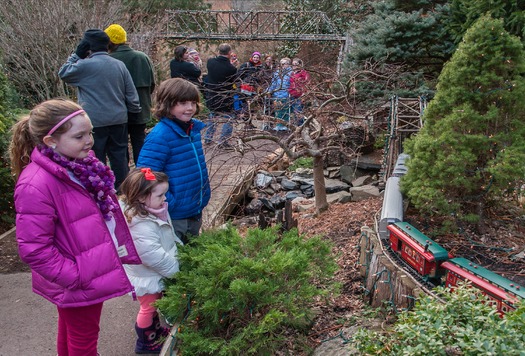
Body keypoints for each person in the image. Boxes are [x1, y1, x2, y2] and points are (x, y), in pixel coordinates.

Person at [10, 99, 141, 356]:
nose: (89, 140)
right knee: (84, 340)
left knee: (72, 331)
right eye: (79, 136)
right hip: (78, 276)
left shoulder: (78, 165)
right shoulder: (37, 184)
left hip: (83, 269)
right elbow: (34, 249)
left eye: (90, 132)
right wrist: (76, 276)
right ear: (51, 141)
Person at [58, 28, 141, 189]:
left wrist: (76, 55)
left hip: (94, 121)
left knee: (96, 157)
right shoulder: (119, 65)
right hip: (119, 119)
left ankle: (101, 190)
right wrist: (134, 112)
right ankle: (123, 191)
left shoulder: (83, 66)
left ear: (87, 46)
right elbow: (131, 94)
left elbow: (63, 73)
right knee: (119, 157)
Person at [136, 78, 211, 244]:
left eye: (193, 102)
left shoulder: (193, 131)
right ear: (167, 104)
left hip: (195, 207)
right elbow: (145, 171)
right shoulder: (160, 136)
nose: (190, 108)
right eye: (182, 103)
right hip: (175, 213)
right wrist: (167, 199)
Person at [119, 168, 183, 354]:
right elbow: (152, 256)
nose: (165, 199)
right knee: (148, 308)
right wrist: (176, 271)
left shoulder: (153, 210)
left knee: (154, 305)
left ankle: (153, 331)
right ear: (141, 197)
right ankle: (146, 342)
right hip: (146, 276)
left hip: (154, 272)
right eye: (161, 195)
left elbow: (168, 235)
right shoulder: (139, 225)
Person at [104, 24, 156, 164]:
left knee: (120, 146)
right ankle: (142, 174)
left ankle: (125, 177)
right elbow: (152, 84)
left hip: (117, 111)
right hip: (141, 108)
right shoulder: (142, 57)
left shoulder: (108, 60)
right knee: (139, 141)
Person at [203, 43, 238, 148]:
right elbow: (232, 80)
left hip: (212, 95)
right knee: (229, 118)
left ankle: (208, 138)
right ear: (229, 53)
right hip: (225, 96)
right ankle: (223, 141)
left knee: (212, 116)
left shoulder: (210, 62)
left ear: (219, 51)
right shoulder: (231, 68)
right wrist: (233, 65)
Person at [267, 57, 293, 131]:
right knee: (278, 110)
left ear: (288, 64)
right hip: (277, 94)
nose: (283, 65)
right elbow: (273, 84)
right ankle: (279, 125)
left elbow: (292, 84)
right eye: (282, 64)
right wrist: (268, 91)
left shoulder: (291, 73)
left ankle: (285, 125)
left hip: (286, 94)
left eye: (285, 63)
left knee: (285, 110)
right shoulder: (277, 73)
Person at [289, 58, 310, 126]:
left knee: (298, 111)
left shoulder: (303, 73)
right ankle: (296, 126)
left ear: (300, 65)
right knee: (294, 111)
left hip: (300, 95)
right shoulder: (291, 73)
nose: (294, 65)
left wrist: (304, 93)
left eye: (296, 64)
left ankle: (301, 126)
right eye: (293, 64)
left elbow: (307, 83)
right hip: (292, 94)